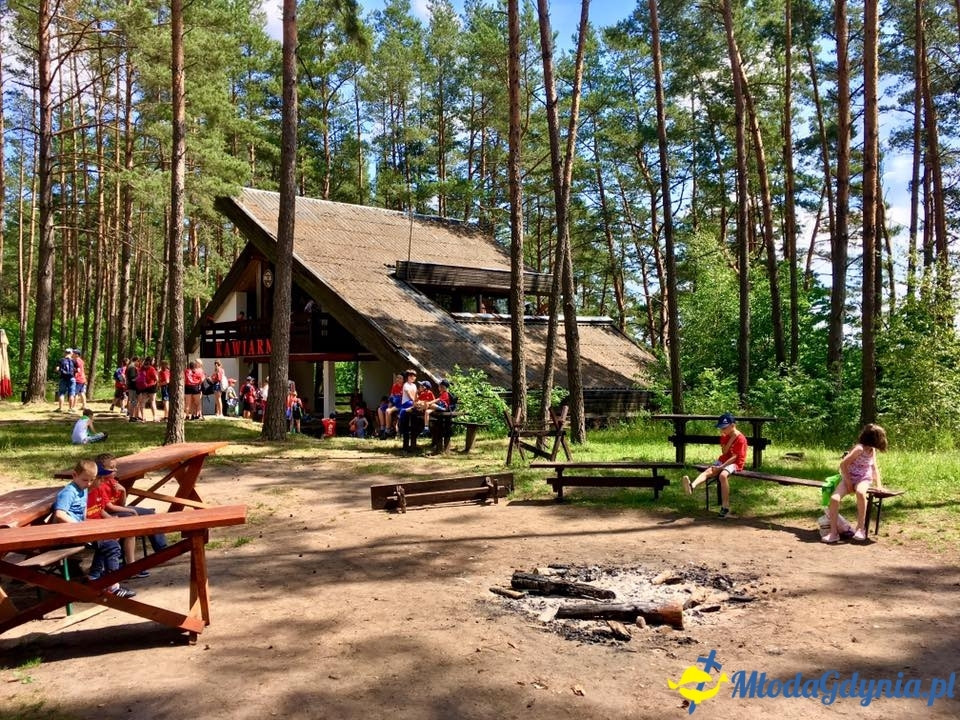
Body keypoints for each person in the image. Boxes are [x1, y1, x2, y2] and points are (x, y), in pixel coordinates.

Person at [52, 459, 135, 598]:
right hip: (68, 533)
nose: (89, 484)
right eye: (86, 480)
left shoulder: (82, 489)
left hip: (80, 530)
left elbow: (83, 516)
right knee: (111, 546)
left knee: (110, 539)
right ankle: (113, 587)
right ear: (74, 475)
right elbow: (60, 514)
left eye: (92, 480)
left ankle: (94, 577)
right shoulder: (69, 492)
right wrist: (79, 527)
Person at [93, 453, 168, 573]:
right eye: (112, 468)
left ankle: (162, 550)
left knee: (149, 513)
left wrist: (123, 491)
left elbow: (121, 504)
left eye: (115, 467)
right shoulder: (100, 484)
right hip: (109, 514)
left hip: (119, 509)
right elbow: (110, 508)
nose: (115, 470)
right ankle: (130, 564)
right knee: (130, 518)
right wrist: (131, 510)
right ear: (102, 469)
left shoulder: (113, 481)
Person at [822, 424, 888, 544]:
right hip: (849, 476)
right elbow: (843, 464)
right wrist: (848, 482)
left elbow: (874, 468)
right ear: (873, 438)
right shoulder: (859, 449)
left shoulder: (872, 450)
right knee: (834, 499)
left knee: (861, 492)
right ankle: (833, 533)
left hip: (864, 478)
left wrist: (879, 485)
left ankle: (860, 528)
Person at [681, 412, 747, 518]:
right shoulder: (724, 436)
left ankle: (725, 507)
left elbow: (734, 457)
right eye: (721, 428)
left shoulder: (741, 439)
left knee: (722, 475)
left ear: (733, 426)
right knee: (708, 471)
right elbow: (725, 452)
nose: (722, 430)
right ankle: (692, 487)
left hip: (735, 462)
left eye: (724, 428)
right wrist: (730, 439)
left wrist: (721, 467)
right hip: (724, 459)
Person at [136, 356, 159, 422]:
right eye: (153, 360)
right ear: (151, 361)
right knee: (152, 402)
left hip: (144, 387)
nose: (154, 362)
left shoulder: (141, 368)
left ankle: (143, 417)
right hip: (152, 387)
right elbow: (156, 379)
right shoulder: (152, 368)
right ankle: (154, 417)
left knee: (142, 403)